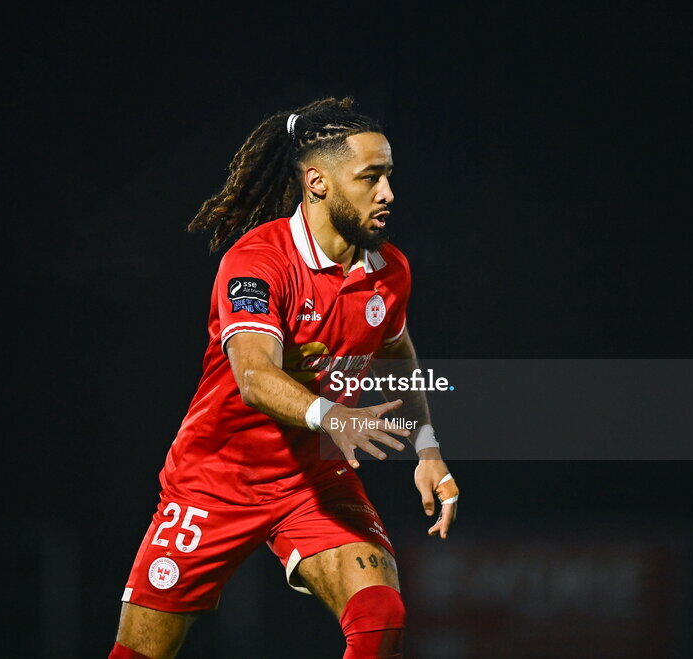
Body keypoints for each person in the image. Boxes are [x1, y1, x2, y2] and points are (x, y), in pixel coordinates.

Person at [109, 97, 459, 659]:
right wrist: (331, 416)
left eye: (389, 176)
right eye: (370, 178)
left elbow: (397, 349)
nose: (388, 193)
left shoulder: (390, 270)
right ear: (317, 181)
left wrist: (428, 448)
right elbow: (254, 375)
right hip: (216, 478)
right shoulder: (258, 262)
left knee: (381, 615)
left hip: (312, 479)